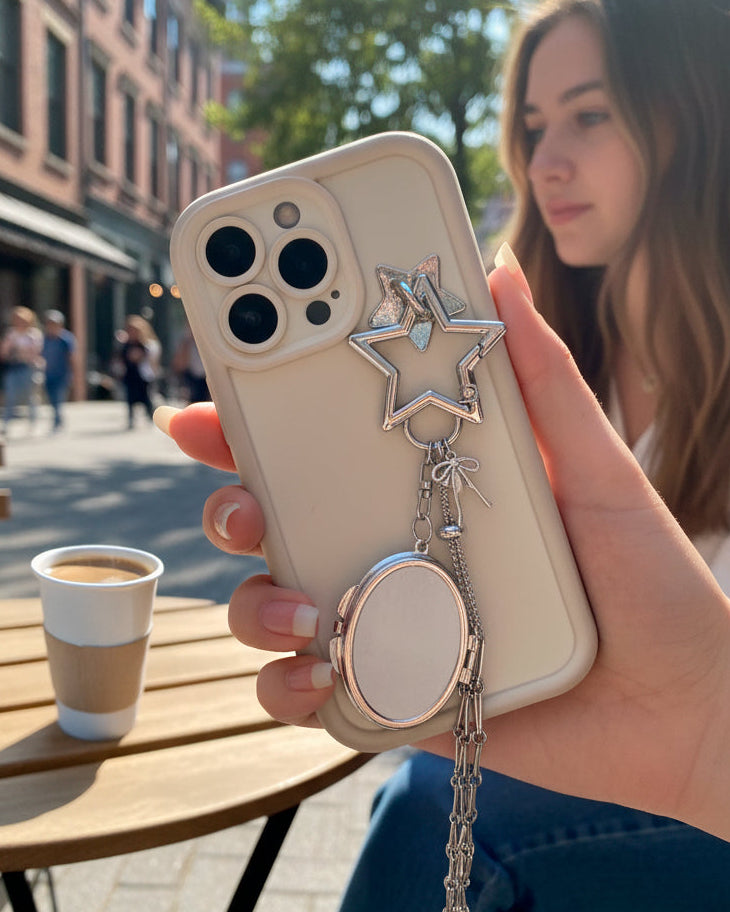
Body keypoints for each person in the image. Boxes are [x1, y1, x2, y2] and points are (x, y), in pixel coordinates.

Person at [153, 0, 730, 906]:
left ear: (695, 114)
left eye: (591, 113)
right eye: (533, 127)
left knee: (434, 808)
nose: (545, 162)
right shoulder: (525, 351)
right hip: (632, 760)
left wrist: (704, 727)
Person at [1, 306, 43, 434]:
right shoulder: (11, 334)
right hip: (15, 367)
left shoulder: (33, 334)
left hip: (29, 367)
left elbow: (37, 351)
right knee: (10, 395)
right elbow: (4, 352)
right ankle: (6, 424)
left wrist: (22, 352)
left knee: (31, 397)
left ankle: (32, 424)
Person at [116, 315, 161, 428]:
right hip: (130, 375)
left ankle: (152, 417)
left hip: (144, 376)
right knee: (130, 398)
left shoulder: (148, 345)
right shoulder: (125, 344)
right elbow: (121, 358)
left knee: (146, 398)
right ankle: (131, 419)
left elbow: (153, 358)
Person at [41, 310, 77, 432]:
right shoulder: (44, 339)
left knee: (58, 397)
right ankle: (58, 417)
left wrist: (73, 374)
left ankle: (57, 421)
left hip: (62, 373)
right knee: (51, 398)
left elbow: (71, 357)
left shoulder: (66, 339)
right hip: (47, 373)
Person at [171, 323, 210, 404]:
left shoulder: (209, 342)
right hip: (192, 380)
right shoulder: (185, 342)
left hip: (208, 380)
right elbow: (179, 365)